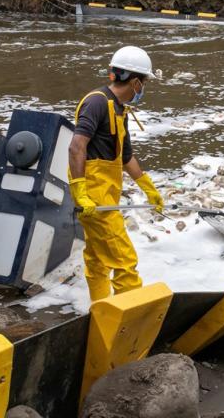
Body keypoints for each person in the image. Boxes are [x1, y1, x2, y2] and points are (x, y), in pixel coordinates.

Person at [67, 45, 164, 302]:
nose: (143, 89)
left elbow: (126, 156)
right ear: (135, 82)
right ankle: (131, 315)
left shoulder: (120, 109)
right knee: (124, 259)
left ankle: (102, 309)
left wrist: (148, 188)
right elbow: (77, 146)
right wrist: (80, 192)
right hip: (94, 197)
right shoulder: (96, 102)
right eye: (144, 83)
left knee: (98, 258)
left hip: (106, 194)